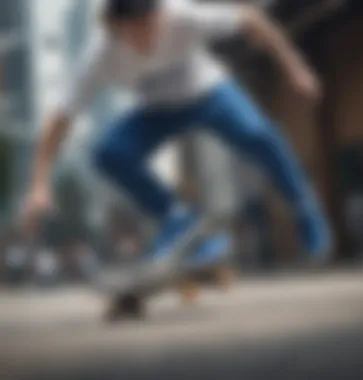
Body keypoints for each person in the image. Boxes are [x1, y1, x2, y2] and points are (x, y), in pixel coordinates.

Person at [22, 0, 332, 288]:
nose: (146, 40)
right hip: (157, 112)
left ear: (159, 14)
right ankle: (179, 220)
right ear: (115, 28)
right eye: (135, 33)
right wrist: (39, 183)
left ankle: (305, 208)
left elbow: (252, 20)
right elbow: (60, 119)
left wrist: (296, 69)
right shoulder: (99, 54)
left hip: (210, 94)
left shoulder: (182, 16)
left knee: (258, 134)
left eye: (151, 26)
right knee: (108, 153)